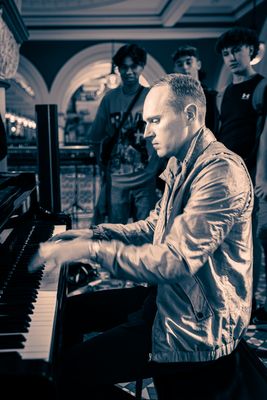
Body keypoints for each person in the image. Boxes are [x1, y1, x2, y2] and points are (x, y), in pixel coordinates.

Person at [29, 74, 253, 400]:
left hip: (197, 324)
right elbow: (153, 228)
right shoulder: (183, 163)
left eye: (155, 121)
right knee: (69, 314)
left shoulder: (220, 172)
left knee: (64, 373)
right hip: (172, 299)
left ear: (190, 114)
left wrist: (91, 251)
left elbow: (176, 261)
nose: (146, 132)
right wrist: (96, 232)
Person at [215, 27, 267, 323]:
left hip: (252, 179)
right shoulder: (224, 93)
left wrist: (262, 177)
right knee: (228, 241)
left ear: (251, 50)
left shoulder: (261, 87)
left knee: (251, 241)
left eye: (236, 50)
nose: (231, 57)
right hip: (227, 178)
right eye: (226, 53)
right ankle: (233, 300)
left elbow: (265, 137)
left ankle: (250, 303)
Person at [88, 43, 161, 224]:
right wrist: (103, 166)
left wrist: (156, 165)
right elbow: (95, 137)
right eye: (124, 67)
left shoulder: (153, 96)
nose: (129, 72)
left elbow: (165, 131)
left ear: (141, 67)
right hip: (117, 180)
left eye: (134, 66)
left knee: (145, 233)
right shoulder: (109, 99)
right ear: (118, 69)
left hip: (145, 178)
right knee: (117, 232)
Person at [172, 45, 219, 134]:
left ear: (198, 65)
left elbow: (215, 126)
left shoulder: (213, 96)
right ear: (175, 69)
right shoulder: (172, 98)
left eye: (189, 62)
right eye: (180, 64)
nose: (185, 67)